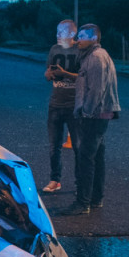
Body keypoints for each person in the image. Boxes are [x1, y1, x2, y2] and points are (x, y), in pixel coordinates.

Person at [62, 23, 121, 216]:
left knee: (86, 158)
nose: (78, 40)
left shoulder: (95, 58)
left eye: (82, 37)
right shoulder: (96, 55)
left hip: (94, 115)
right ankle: (96, 199)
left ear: (94, 39)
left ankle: (83, 203)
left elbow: (96, 90)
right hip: (99, 114)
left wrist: (85, 112)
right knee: (97, 156)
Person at [42, 20, 80, 194]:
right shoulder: (54, 50)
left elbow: (84, 77)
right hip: (55, 104)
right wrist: (49, 74)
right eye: (57, 31)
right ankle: (55, 180)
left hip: (74, 105)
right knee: (54, 146)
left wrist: (64, 74)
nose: (57, 35)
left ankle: (81, 182)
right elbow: (47, 74)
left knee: (79, 146)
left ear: (72, 34)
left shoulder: (80, 50)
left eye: (61, 32)